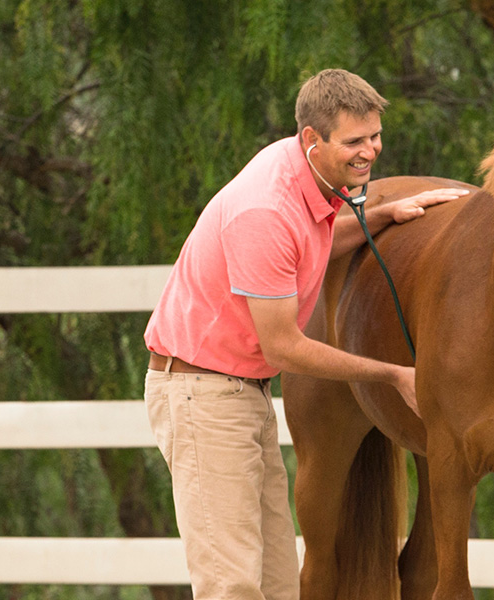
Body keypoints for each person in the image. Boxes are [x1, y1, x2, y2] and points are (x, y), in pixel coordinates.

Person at [142, 68, 466, 599]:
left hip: (239, 391)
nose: (370, 151)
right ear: (312, 140)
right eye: (354, 141)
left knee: (274, 586)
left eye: (375, 136)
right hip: (202, 397)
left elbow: (304, 246)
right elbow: (284, 346)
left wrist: (383, 215)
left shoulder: (302, 174)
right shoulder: (264, 210)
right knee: (232, 588)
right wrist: (393, 375)